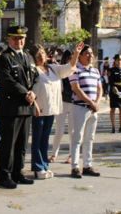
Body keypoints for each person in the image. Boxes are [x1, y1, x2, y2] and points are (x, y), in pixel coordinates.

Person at [0, 25, 37, 189]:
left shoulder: (28, 57)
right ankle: (5, 175)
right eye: (15, 38)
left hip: (26, 106)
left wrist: (32, 92)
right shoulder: (4, 57)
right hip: (11, 107)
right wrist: (25, 93)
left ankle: (18, 173)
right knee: (8, 144)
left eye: (22, 38)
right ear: (9, 39)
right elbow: (6, 81)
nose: (19, 41)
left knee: (21, 144)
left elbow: (34, 77)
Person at [30, 43, 80, 179]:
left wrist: (76, 53)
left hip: (51, 108)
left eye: (42, 54)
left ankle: (44, 165)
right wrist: (33, 103)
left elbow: (69, 68)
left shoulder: (52, 68)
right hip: (39, 109)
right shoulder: (33, 69)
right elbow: (30, 89)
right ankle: (38, 167)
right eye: (38, 55)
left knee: (45, 139)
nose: (41, 56)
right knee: (37, 139)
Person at [69, 45, 102, 179]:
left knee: (90, 138)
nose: (90, 56)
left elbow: (100, 89)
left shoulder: (95, 71)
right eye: (87, 54)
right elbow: (76, 88)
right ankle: (75, 166)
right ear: (80, 55)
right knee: (77, 138)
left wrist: (97, 103)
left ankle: (87, 165)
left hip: (93, 109)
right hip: (80, 107)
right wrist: (90, 102)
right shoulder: (74, 70)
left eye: (91, 53)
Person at [50, 50, 75, 164]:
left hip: (74, 103)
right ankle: (54, 154)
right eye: (68, 58)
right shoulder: (61, 70)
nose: (70, 61)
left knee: (72, 131)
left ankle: (71, 155)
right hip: (62, 102)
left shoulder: (76, 70)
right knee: (59, 130)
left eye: (72, 58)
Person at [108, 54, 121, 133]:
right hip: (114, 91)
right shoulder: (111, 70)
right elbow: (111, 83)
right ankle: (113, 127)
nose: (119, 62)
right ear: (115, 61)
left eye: (120, 60)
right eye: (117, 60)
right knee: (113, 109)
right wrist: (117, 92)